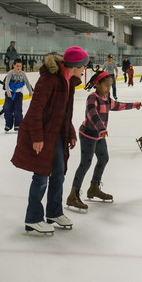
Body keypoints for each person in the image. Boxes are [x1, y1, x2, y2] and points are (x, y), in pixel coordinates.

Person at [11, 46, 89, 236]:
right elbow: (36, 109)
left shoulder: (68, 81)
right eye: (83, 66)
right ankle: (33, 218)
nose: (84, 70)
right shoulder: (49, 79)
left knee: (59, 173)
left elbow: (64, 111)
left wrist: (69, 131)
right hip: (41, 134)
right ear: (76, 65)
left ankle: (54, 213)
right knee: (41, 177)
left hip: (56, 134)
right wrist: (37, 137)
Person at [66, 70, 142, 212]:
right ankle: (73, 196)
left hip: (99, 135)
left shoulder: (106, 99)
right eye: (106, 85)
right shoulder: (92, 98)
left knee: (103, 158)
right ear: (97, 84)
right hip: (88, 134)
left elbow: (118, 105)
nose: (108, 89)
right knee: (85, 164)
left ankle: (94, 187)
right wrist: (101, 128)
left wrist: (134, 104)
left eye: (110, 86)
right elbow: (92, 114)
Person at [4, 58, 34, 132]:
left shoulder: (22, 74)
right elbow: (6, 83)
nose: (18, 68)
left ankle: (18, 124)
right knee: (8, 110)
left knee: (18, 110)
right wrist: (8, 92)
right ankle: (8, 125)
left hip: (19, 94)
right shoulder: (10, 73)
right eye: (17, 66)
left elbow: (27, 82)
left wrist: (30, 91)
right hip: (10, 94)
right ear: (14, 65)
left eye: (20, 66)